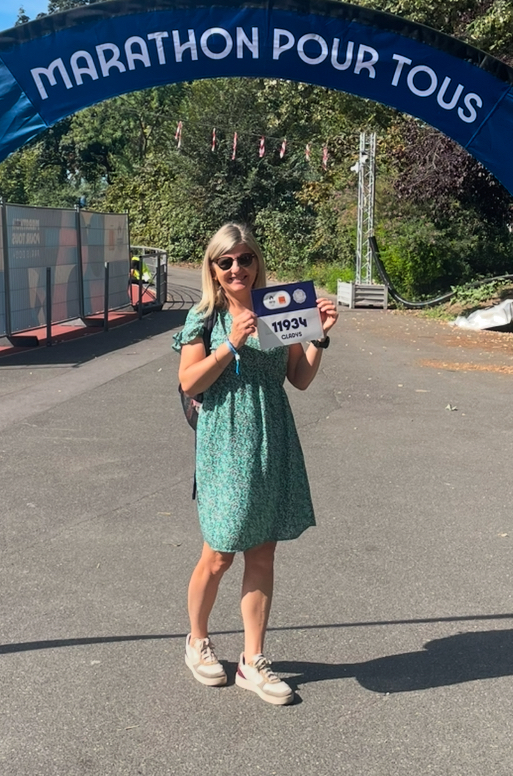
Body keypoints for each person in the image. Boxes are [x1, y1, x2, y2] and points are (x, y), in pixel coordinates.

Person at [172, 222, 338, 705]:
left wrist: (320, 338)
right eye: (225, 261)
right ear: (213, 269)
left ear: (257, 262)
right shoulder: (204, 317)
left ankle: (252, 660)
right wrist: (231, 343)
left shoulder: (277, 308)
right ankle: (197, 640)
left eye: (245, 258)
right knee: (220, 551)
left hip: (272, 436)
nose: (236, 268)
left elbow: (299, 378)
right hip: (224, 442)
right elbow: (190, 382)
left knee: (263, 552)